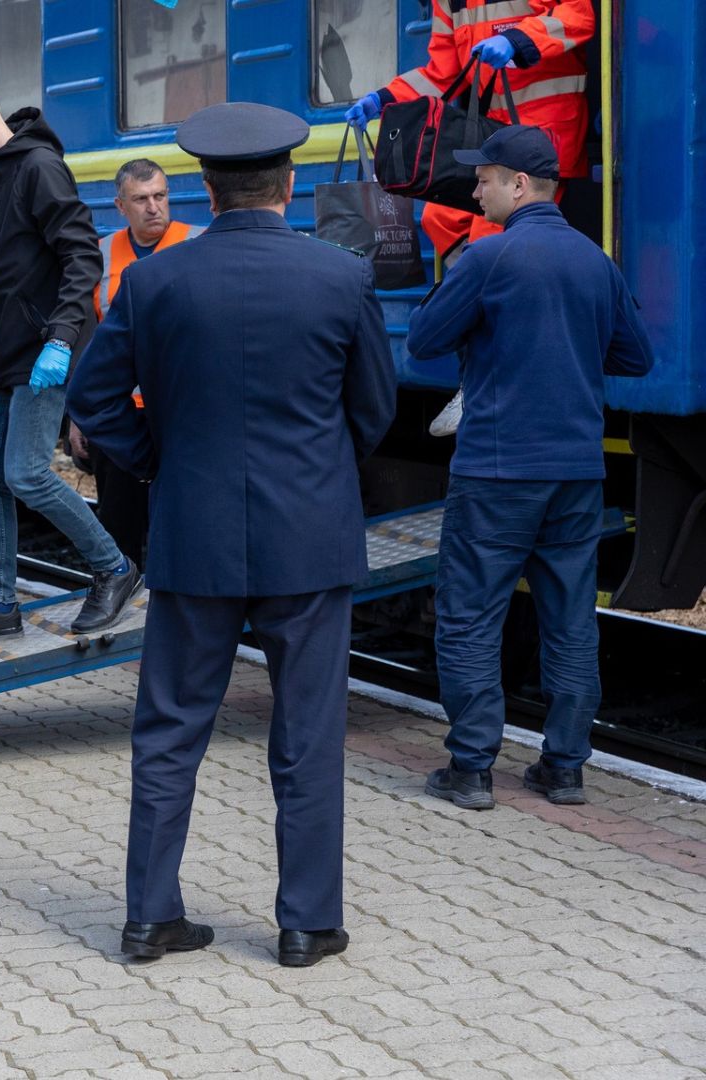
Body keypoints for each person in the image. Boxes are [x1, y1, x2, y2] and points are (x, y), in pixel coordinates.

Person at [68, 103, 397, 968]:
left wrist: (160, 464)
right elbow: (372, 411)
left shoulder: (153, 281)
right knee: (307, 733)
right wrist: (320, 473)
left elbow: (94, 402)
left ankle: (149, 917)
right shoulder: (341, 277)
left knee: (170, 728)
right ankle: (305, 925)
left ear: (205, 192)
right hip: (311, 540)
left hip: (195, 533)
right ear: (287, 186)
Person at [407, 125, 652, 811]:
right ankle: (565, 768)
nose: (474, 187)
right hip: (576, 471)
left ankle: (472, 769)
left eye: (483, 178)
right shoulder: (595, 263)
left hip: (496, 471)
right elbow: (636, 359)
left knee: (469, 616)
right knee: (571, 619)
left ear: (519, 185)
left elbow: (424, 340)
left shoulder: (488, 258)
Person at [0, 68, 139, 646]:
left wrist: (63, 338)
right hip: (5, 351)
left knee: (26, 473)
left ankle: (115, 569)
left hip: (46, 347)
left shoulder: (39, 168)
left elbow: (80, 257)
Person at [345, 1, 594, 260]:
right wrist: (384, 99)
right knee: (441, 218)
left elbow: (578, 14)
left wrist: (517, 40)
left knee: (491, 234)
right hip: (495, 136)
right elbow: (442, 72)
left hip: (545, 134)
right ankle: (485, 285)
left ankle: (490, 288)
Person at [76, 158, 205, 568]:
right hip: (120, 420)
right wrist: (77, 419)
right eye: (141, 199)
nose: (153, 207)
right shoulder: (100, 255)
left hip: (181, 415)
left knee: (184, 526)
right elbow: (89, 340)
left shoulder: (198, 243)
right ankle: (122, 609)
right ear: (120, 205)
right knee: (120, 529)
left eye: (160, 196)